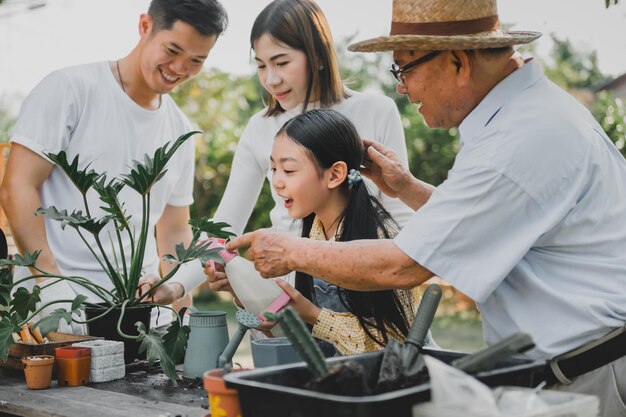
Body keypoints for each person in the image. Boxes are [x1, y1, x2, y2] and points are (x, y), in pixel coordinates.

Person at [227, 0, 626, 414]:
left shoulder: (518, 138)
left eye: (405, 68)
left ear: (458, 61)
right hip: (575, 366)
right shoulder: (520, 116)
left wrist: (290, 251)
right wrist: (408, 188)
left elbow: (402, 266)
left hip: (592, 372)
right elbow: (489, 222)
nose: (401, 86)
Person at [0, 0, 228, 332]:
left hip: (141, 317)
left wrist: (184, 316)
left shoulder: (180, 129)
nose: (180, 68)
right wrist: (51, 283)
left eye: (196, 61)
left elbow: (174, 229)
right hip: (58, 311)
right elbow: (16, 186)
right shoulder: (71, 90)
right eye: (173, 50)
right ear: (145, 26)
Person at [203, 0, 413, 302]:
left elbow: (399, 215)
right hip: (289, 298)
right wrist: (175, 283)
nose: (270, 80)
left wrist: (404, 291)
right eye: (261, 66)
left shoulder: (376, 111)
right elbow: (223, 226)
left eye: (282, 62)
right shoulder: (260, 127)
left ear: (317, 56)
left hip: (367, 291)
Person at [268, 108, 423, 355]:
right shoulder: (313, 234)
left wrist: (313, 314)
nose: (276, 181)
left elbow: (395, 345)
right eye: (273, 168)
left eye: (288, 170)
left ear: (335, 174)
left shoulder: (383, 238)